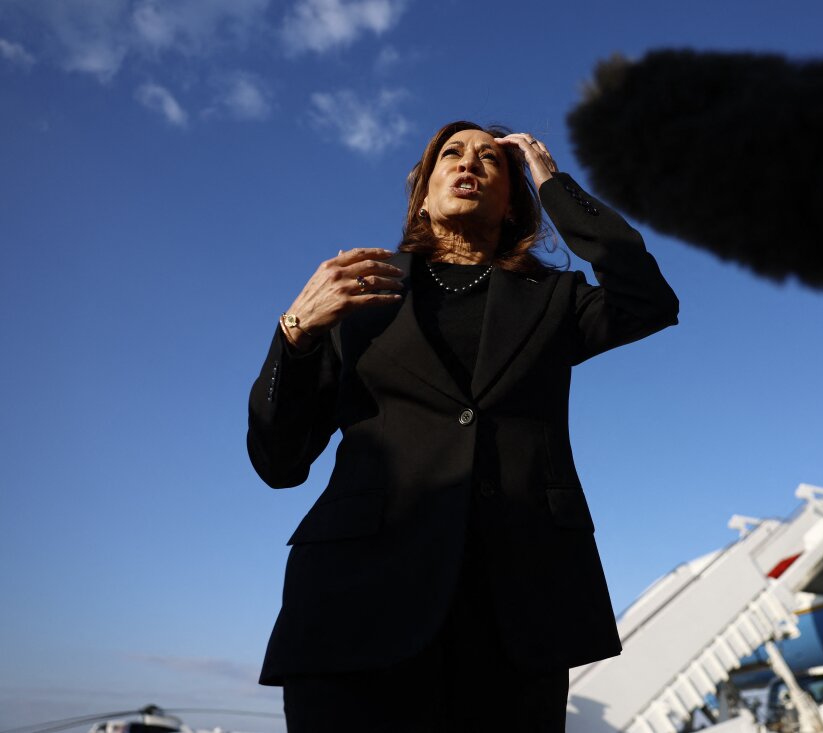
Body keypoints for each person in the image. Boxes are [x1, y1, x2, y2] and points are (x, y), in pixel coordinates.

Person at [247, 120, 678, 731]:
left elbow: (650, 300)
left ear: (513, 203)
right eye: (451, 154)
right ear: (424, 195)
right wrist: (294, 333)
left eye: (490, 161)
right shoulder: (361, 291)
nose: (468, 163)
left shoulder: (554, 299)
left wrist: (554, 184)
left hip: (518, 611)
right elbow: (278, 461)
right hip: (354, 605)